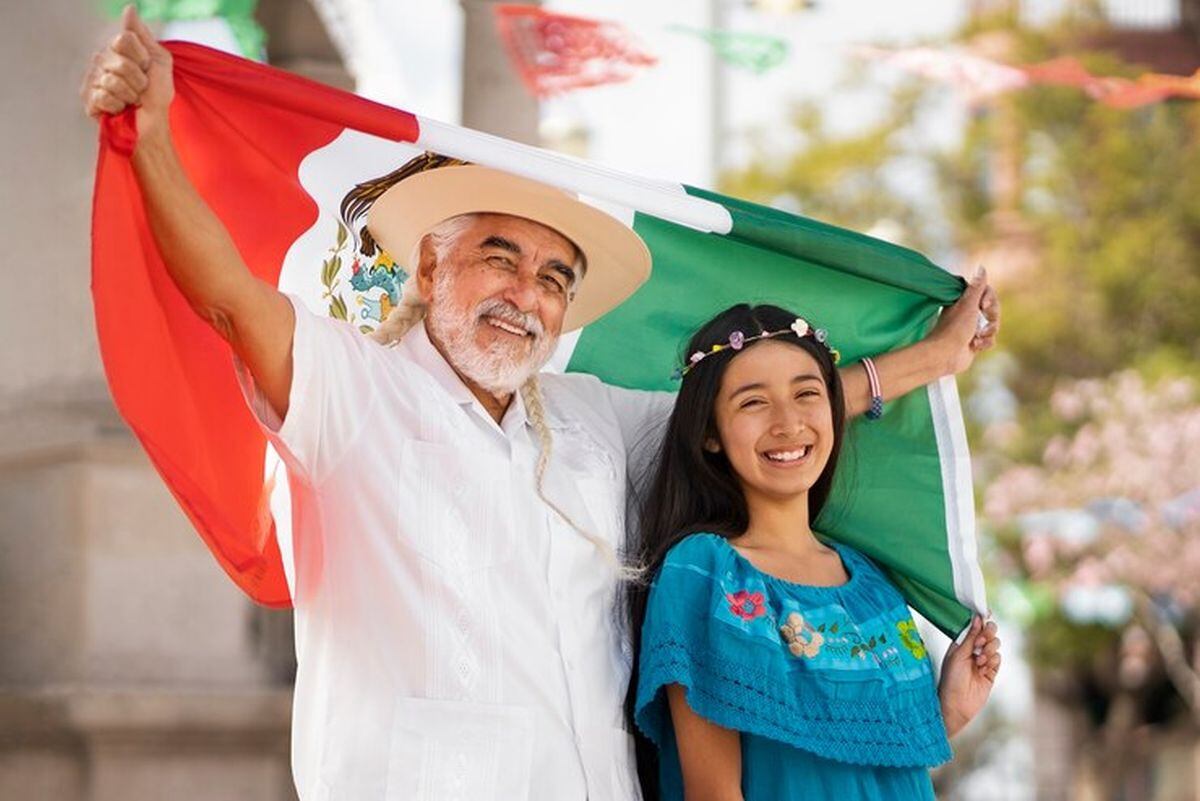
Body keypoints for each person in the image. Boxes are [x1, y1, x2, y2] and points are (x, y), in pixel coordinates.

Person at [82, 7, 1001, 800]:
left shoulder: (592, 417)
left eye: (555, 277)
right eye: (500, 257)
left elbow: (762, 413)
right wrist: (154, 140)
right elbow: (229, 299)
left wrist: (926, 358)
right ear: (432, 262)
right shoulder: (351, 386)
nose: (527, 293)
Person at [629, 303, 1002, 801]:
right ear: (710, 434)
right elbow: (713, 794)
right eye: (752, 402)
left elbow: (872, 774)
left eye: (807, 393)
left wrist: (946, 715)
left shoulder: (874, 587)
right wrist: (935, 355)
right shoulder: (707, 573)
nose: (789, 422)